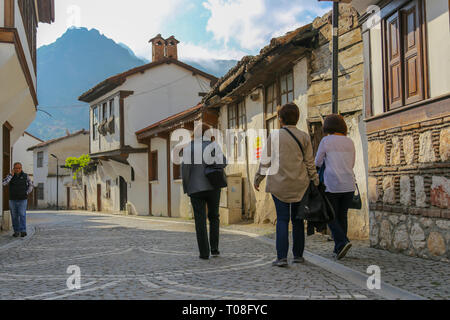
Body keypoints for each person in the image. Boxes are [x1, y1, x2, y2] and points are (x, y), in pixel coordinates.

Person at [254, 103, 319, 267]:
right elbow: (310, 162)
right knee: (298, 220)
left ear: (281, 119)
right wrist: (316, 180)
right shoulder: (304, 137)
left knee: (282, 220)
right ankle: (298, 256)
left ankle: (281, 257)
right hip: (300, 185)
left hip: (279, 185)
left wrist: (258, 178)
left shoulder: (274, 136)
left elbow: (265, 161)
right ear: (297, 118)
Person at [181, 123, 227, 260]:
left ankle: (204, 252)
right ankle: (215, 248)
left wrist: (186, 187)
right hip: (213, 186)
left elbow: (185, 170)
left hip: (195, 188)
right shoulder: (213, 146)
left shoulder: (189, 148)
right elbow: (223, 163)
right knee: (214, 217)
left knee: (200, 220)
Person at [315, 114, 356, 260]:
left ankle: (342, 242)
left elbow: (318, 162)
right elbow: (352, 163)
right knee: (341, 216)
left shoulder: (326, 141)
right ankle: (339, 248)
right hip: (348, 184)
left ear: (328, 126)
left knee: (330, 216)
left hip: (331, 184)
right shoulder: (349, 142)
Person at [2, 162, 33, 237]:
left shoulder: (26, 176)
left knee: (22, 214)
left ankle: (23, 231)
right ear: (13, 168)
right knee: (14, 216)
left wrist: (26, 192)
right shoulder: (10, 176)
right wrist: (10, 175)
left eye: (19, 168)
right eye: (16, 168)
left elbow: (31, 185)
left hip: (23, 199)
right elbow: (4, 183)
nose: (17, 169)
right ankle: (16, 231)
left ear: (21, 168)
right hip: (12, 199)